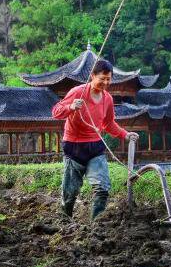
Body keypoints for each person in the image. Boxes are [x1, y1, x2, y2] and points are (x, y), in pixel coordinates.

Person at [51, 58, 139, 220]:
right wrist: (71, 107)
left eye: (108, 79)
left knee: (102, 188)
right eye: (102, 79)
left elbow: (109, 124)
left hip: (95, 148)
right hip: (74, 147)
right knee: (70, 192)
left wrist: (125, 134)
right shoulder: (78, 92)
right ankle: (65, 223)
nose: (105, 82)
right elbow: (56, 111)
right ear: (92, 76)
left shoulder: (107, 99)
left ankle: (96, 225)